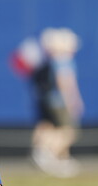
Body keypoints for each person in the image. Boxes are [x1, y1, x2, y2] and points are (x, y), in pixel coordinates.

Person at [29, 28, 84, 177]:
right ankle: (48, 156)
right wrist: (73, 100)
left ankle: (58, 160)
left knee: (51, 128)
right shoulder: (64, 61)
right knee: (68, 131)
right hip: (60, 101)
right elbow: (65, 82)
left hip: (49, 99)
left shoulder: (48, 61)